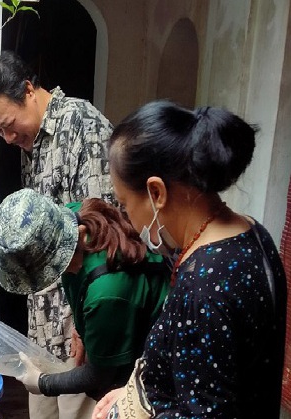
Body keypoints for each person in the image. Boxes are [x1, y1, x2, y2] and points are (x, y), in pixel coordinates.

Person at [0, 50, 114, 418]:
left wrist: (83, 328)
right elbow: (34, 247)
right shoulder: (31, 143)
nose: (6, 137)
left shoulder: (85, 127)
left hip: (77, 334)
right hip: (42, 331)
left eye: (8, 123)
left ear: (29, 90)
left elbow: (105, 231)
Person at [92, 101, 287, 419]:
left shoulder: (203, 284)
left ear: (156, 193)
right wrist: (138, 393)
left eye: (125, 203)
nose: (127, 217)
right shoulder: (252, 233)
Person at [0, 189, 169, 401]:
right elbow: (23, 265)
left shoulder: (106, 293)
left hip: (153, 356)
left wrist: (43, 383)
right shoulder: (69, 224)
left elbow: (100, 375)